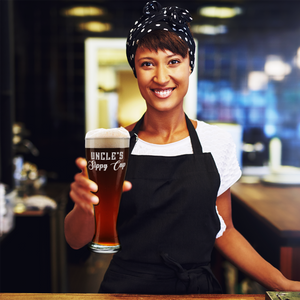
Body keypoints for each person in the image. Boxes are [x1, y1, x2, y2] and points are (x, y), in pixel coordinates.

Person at [64, 0, 300, 294]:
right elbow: (76, 240)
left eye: (173, 61)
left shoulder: (216, 142)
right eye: (147, 63)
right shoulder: (112, 145)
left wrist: (283, 283)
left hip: (196, 290)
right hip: (126, 289)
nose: (161, 77)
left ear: (190, 65)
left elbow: (223, 231)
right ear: (136, 72)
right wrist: (83, 208)